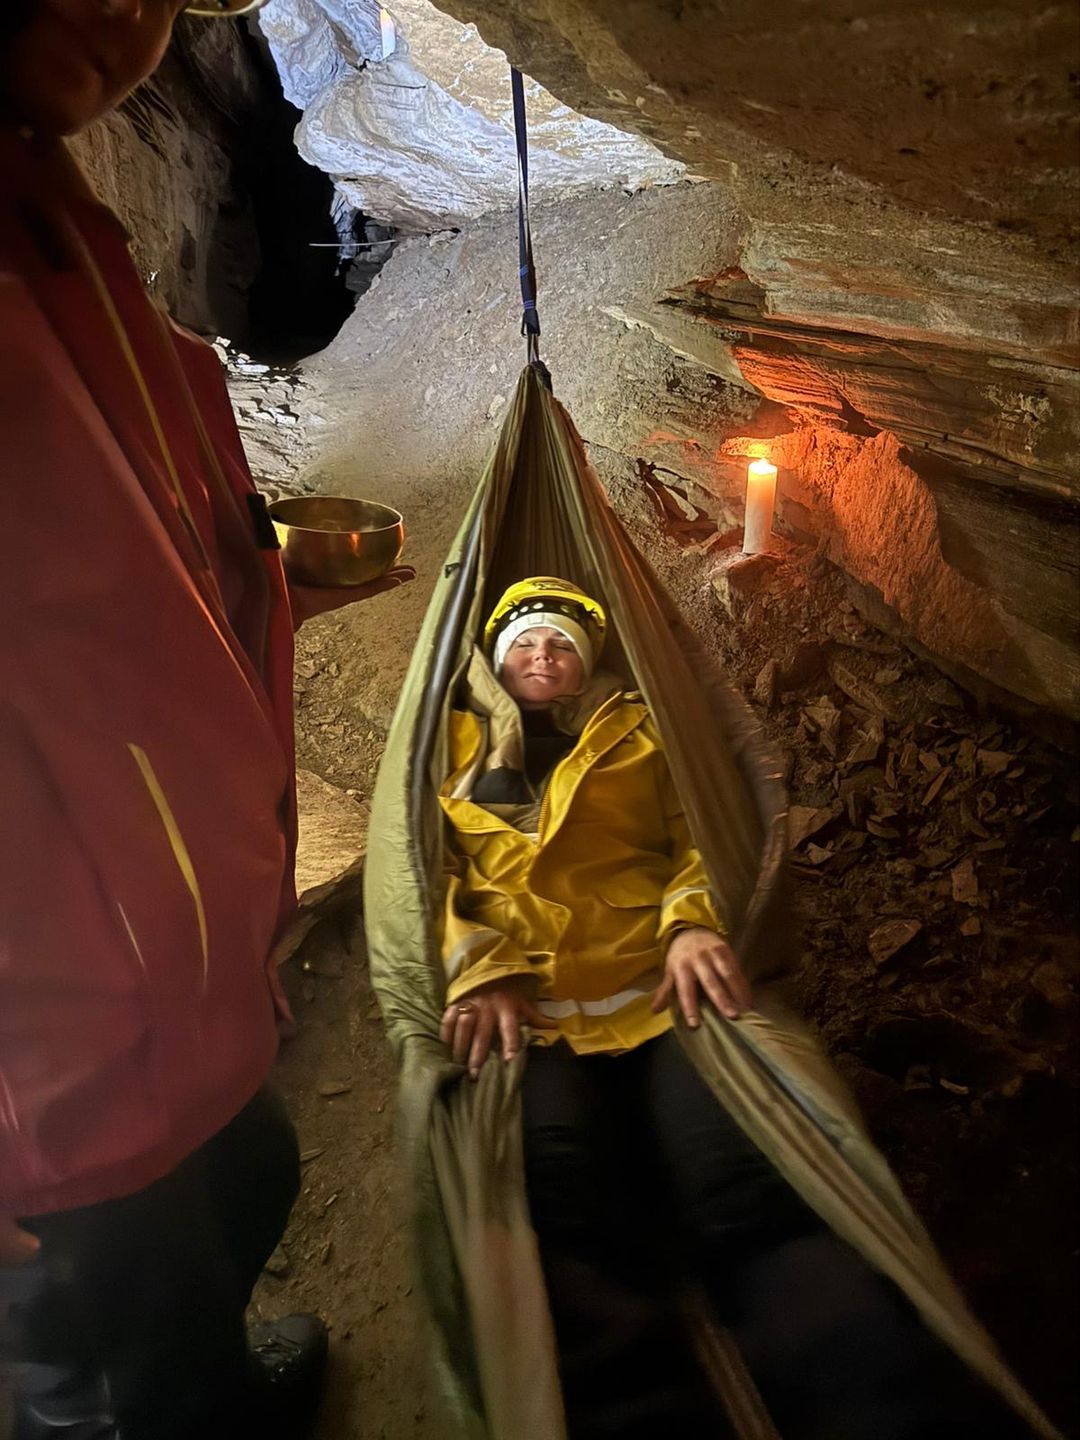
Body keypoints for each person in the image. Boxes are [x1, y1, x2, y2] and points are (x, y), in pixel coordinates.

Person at [0, 2, 413, 1436]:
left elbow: (87, 573)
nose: (120, 16)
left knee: (242, 1194)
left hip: (169, 951)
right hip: (48, 1073)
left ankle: (222, 1388)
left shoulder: (51, 214)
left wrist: (263, 573)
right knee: (122, 1369)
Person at [437, 577, 1012, 1440]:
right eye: (524, 644)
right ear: (493, 659)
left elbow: (699, 839)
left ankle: (876, 1403)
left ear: (588, 662)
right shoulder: (450, 747)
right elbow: (425, 872)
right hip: (535, 1008)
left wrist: (689, 926)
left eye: (560, 644)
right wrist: (476, 964)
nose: (543, 655)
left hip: (660, 994)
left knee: (747, 1184)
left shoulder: (642, 731)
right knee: (554, 1207)